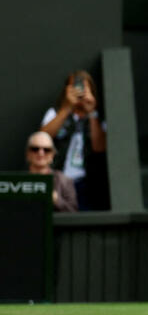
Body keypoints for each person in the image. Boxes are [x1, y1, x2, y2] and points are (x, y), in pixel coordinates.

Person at [39, 73, 107, 210]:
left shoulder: (98, 117)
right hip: (58, 181)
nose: (79, 91)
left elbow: (99, 148)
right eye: (75, 87)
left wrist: (92, 112)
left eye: (83, 87)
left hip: (87, 184)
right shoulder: (55, 113)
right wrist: (67, 107)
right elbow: (42, 139)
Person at [25, 132, 77, 213]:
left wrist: (56, 199)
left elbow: (73, 212)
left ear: (52, 154)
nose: (41, 153)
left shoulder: (65, 181)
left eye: (46, 150)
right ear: (28, 153)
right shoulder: (19, 182)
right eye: (35, 149)